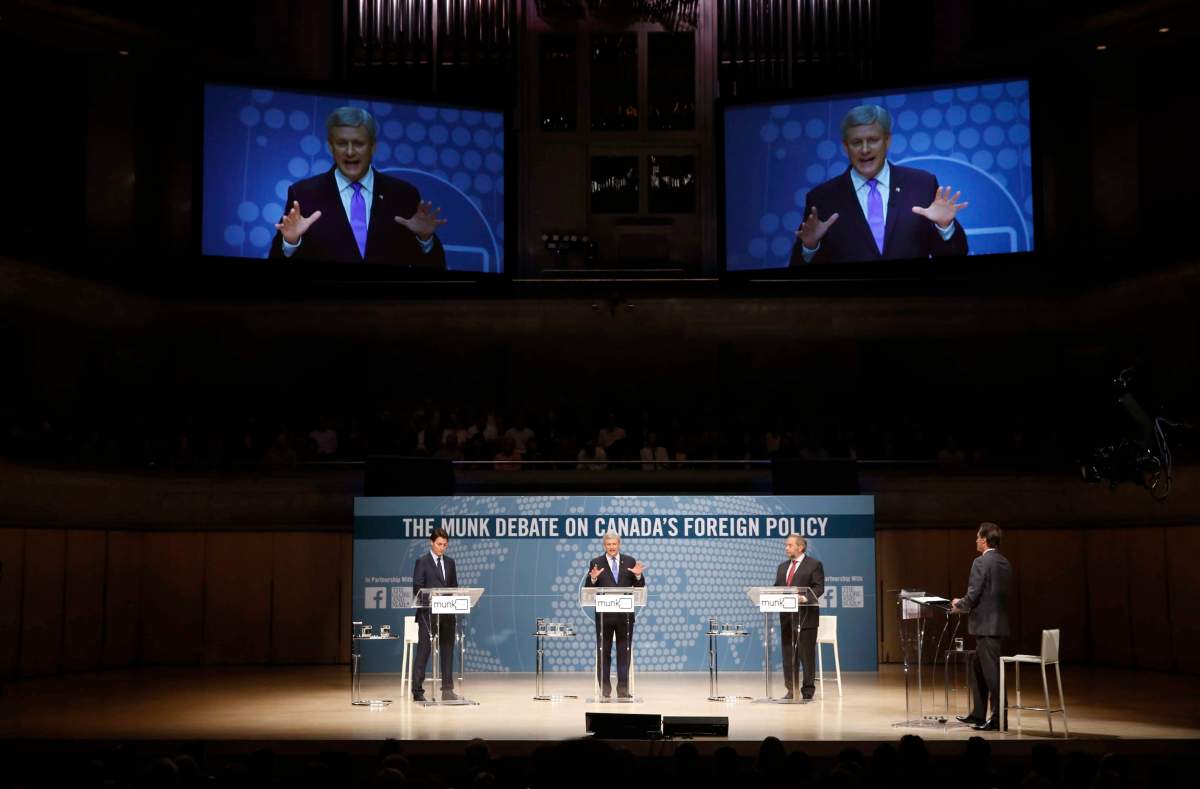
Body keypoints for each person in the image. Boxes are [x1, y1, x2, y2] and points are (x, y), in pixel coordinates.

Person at [790, 104, 969, 266]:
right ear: (845, 146)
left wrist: (945, 227)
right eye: (856, 142)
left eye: (873, 140)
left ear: (887, 140)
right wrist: (810, 247)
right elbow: (798, 275)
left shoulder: (922, 184)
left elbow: (956, 259)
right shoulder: (822, 198)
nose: (865, 149)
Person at [270, 106, 447, 267]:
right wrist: (291, 242)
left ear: (373, 147)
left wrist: (425, 239)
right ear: (331, 147)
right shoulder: (303, 194)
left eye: (358, 143)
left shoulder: (404, 194)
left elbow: (434, 270)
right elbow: (275, 268)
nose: (349, 152)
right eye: (341, 143)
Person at [952, 522, 1012, 730]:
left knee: (992, 674)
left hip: (986, 626)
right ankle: (978, 714)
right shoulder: (1004, 562)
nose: (976, 540)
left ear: (985, 540)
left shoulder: (980, 562)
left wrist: (959, 604)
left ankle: (998, 719)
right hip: (997, 624)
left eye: (978, 537)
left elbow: (975, 593)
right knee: (977, 667)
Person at [584, 531, 646, 698]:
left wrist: (638, 575)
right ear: (604, 546)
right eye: (608, 544)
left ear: (619, 544)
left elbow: (639, 585)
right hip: (604, 617)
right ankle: (605, 688)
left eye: (614, 544)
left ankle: (623, 689)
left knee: (623, 651)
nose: (611, 547)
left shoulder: (630, 561)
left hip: (625, 617)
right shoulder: (596, 562)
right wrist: (594, 579)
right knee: (604, 651)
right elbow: (589, 588)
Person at [774, 534, 824, 700]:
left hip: (806, 618)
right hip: (787, 618)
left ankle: (807, 692)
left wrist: (805, 598)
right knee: (788, 656)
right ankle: (791, 689)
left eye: (789, 545)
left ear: (800, 547)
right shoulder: (782, 567)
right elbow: (776, 589)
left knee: (806, 656)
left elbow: (818, 587)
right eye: (786, 545)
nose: (786, 548)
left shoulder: (814, 565)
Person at [411, 527, 458, 701]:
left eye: (445, 545)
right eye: (439, 544)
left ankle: (447, 690)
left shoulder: (450, 563)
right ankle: (417, 691)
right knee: (423, 652)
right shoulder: (422, 562)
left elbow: (454, 588)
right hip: (427, 615)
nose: (442, 548)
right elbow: (417, 588)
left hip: (447, 614)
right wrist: (432, 595)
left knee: (447, 651)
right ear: (431, 543)